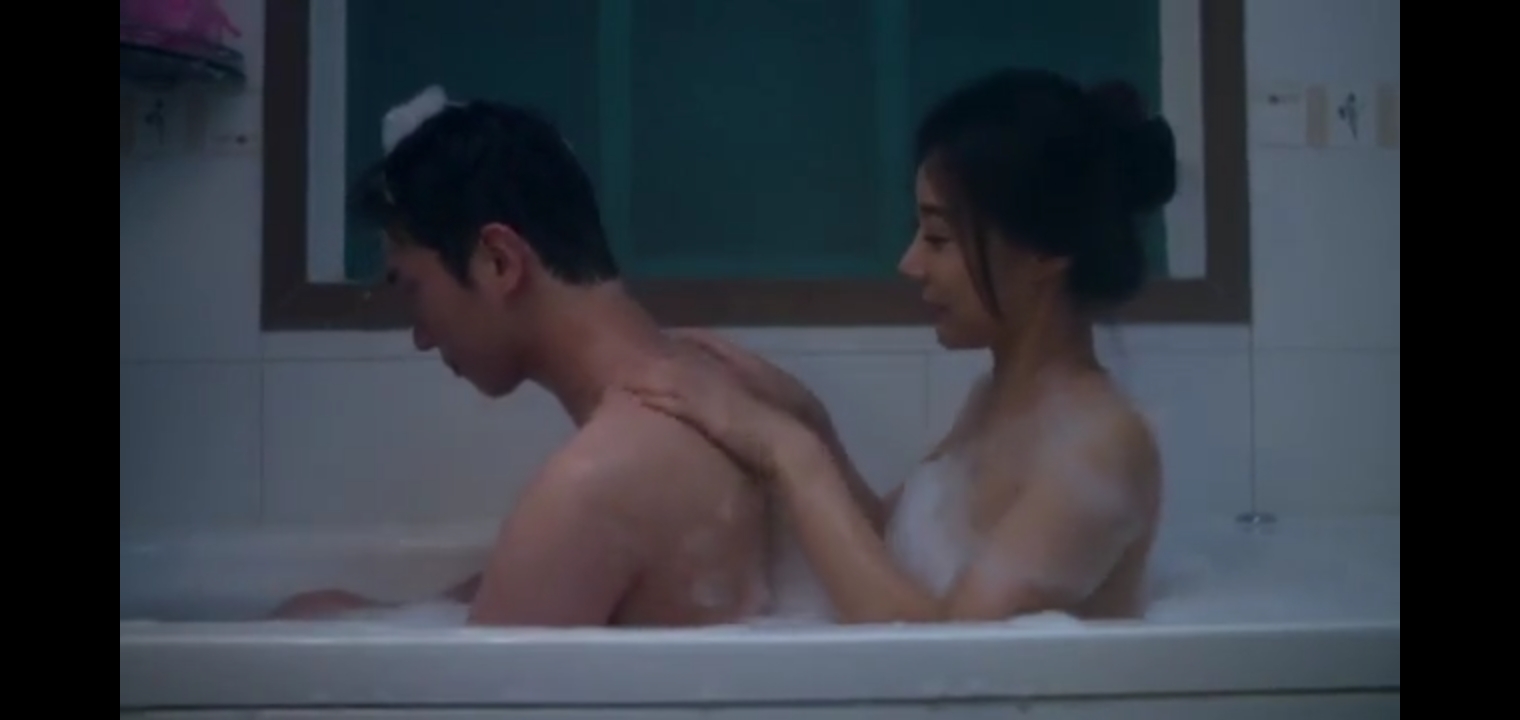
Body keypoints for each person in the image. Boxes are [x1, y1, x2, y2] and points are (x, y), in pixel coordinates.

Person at [619, 68, 1176, 624]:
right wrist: (807, 421)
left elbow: (950, 656)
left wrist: (790, 453)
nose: (910, 264)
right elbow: (891, 553)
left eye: (938, 238)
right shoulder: (997, 398)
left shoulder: (1103, 445)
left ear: (1045, 253)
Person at [270, 87, 774, 627]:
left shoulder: (591, 489)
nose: (420, 337)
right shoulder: (743, 395)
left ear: (499, 262)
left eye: (412, 287)